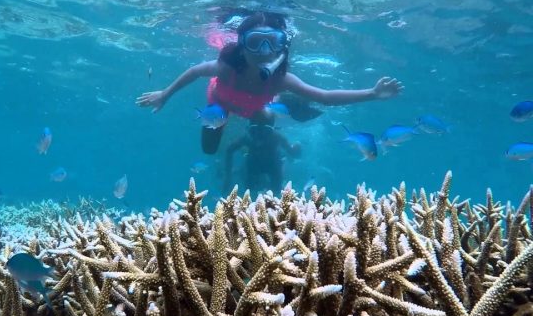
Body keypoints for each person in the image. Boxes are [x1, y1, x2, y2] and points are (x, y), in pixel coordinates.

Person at [136, 12, 403, 154]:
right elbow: (195, 71)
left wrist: (372, 93)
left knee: (272, 119)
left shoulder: (281, 79)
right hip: (220, 105)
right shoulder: (227, 69)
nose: (263, 50)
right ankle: (270, 114)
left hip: (256, 109)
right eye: (255, 42)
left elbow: (324, 96)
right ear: (241, 46)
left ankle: (278, 112)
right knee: (208, 150)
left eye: (271, 42)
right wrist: (165, 93)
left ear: (281, 47)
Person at [222, 114, 301, 194]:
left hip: (269, 165)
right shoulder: (276, 137)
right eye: (255, 130)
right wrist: (296, 148)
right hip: (260, 165)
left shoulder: (250, 137)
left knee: (274, 190)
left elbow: (230, 150)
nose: (260, 135)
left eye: (266, 131)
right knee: (252, 190)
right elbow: (229, 150)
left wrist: (228, 177)